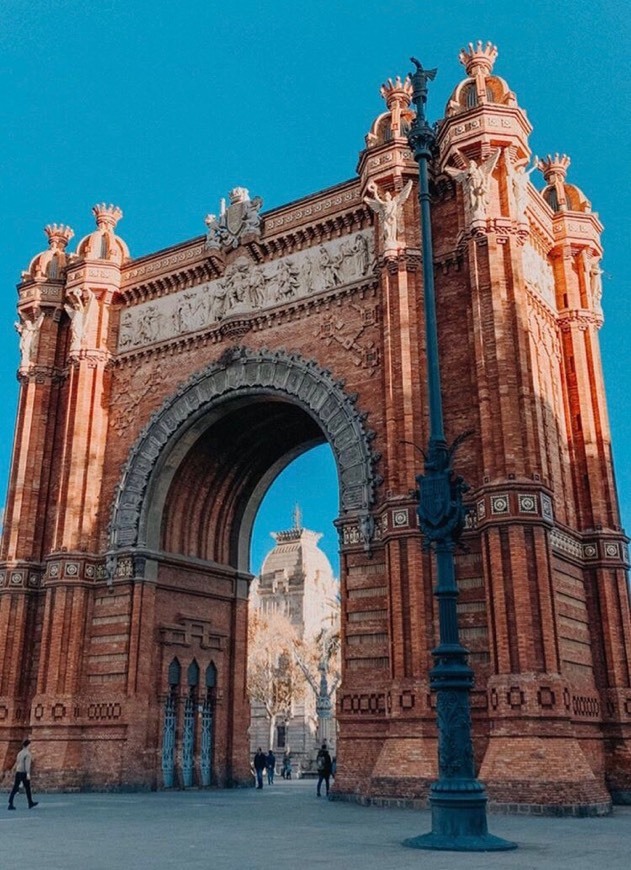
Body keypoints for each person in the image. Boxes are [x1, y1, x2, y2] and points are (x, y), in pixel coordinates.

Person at [8, 739, 38, 810]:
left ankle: (10, 802)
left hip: (18, 772)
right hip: (24, 772)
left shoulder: (20, 753)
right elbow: (27, 765)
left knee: (15, 788)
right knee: (27, 788)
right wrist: (28, 773)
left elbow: (17, 762)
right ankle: (30, 802)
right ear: (28, 745)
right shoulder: (28, 754)